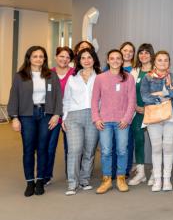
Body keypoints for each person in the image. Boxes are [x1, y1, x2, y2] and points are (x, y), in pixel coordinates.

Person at [8, 46, 62, 197]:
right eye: (35, 56)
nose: (38, 59)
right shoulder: (20, 76)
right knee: (28, 149)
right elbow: (14, 97)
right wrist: (14, 117)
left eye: (41, 56)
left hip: (46, 114)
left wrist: (56, 114)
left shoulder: (51, 75)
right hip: (27, 116)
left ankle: (40, 181)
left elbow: (58, 96)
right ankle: (30, 182)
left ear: (44, 59)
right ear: (29, 58)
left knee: (43, 148)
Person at [91, 50, 136, 194]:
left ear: (122, 61)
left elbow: (132, 101)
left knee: (122, 150)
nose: (115, 60)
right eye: (112, 58)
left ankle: (121, 178)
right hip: (104, 121)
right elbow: (94, 100)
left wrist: (127, 118)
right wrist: (96, 118)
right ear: (108, 60)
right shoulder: (100, 78)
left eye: (118, 58)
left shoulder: (128, 78)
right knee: (105, 151)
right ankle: (107, 180)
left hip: (122, 121)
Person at [142, 51, 173, 192]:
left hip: (171, 115)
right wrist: (163, 97)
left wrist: (159, 94)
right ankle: (157, 179)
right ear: (155, 62)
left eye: (166, 60)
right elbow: (144, 97)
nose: (163, 63)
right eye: (160, 60)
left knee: (168, 147)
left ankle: (166, 180)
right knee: (157, 148)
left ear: (169, 63)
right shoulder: (147, 77)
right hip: (153, 116)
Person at [62, 47, 101, 195]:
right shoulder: (72, 78)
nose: (86, 60)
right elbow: (66, 99)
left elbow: (103, 99)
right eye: (83, 58)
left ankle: (84, 180)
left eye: (89, 57)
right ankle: (72, 183)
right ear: (79, 61)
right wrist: (64, 118)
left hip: (93, 116)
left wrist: (100, 116)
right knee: (74, 150)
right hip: (74, 117)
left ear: (94, 60)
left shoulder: (100, 77)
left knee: (89, 150)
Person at [45, 46, 75, 184]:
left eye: (68, 57)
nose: (64, 59)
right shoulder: (47, 73)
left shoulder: (75, 73)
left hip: (69, 115)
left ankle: (71, 175)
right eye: (62, 56)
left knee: (70, 147)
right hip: (52, 116)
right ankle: (47, 175)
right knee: (49, 146)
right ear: (56, 57)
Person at [127, 43, 155, 186]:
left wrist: (148, 108)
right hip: (137, 112)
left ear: (151, 55)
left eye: (147, 53)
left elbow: (160, 94)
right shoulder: (134, 71)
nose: (143, 55)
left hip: (153, 112)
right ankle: (141, 173)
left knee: (156, 143)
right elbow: (130, 92)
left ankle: (155, 173)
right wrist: (135, 107)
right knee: (139, 141)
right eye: (141, 53)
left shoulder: (157, 71)